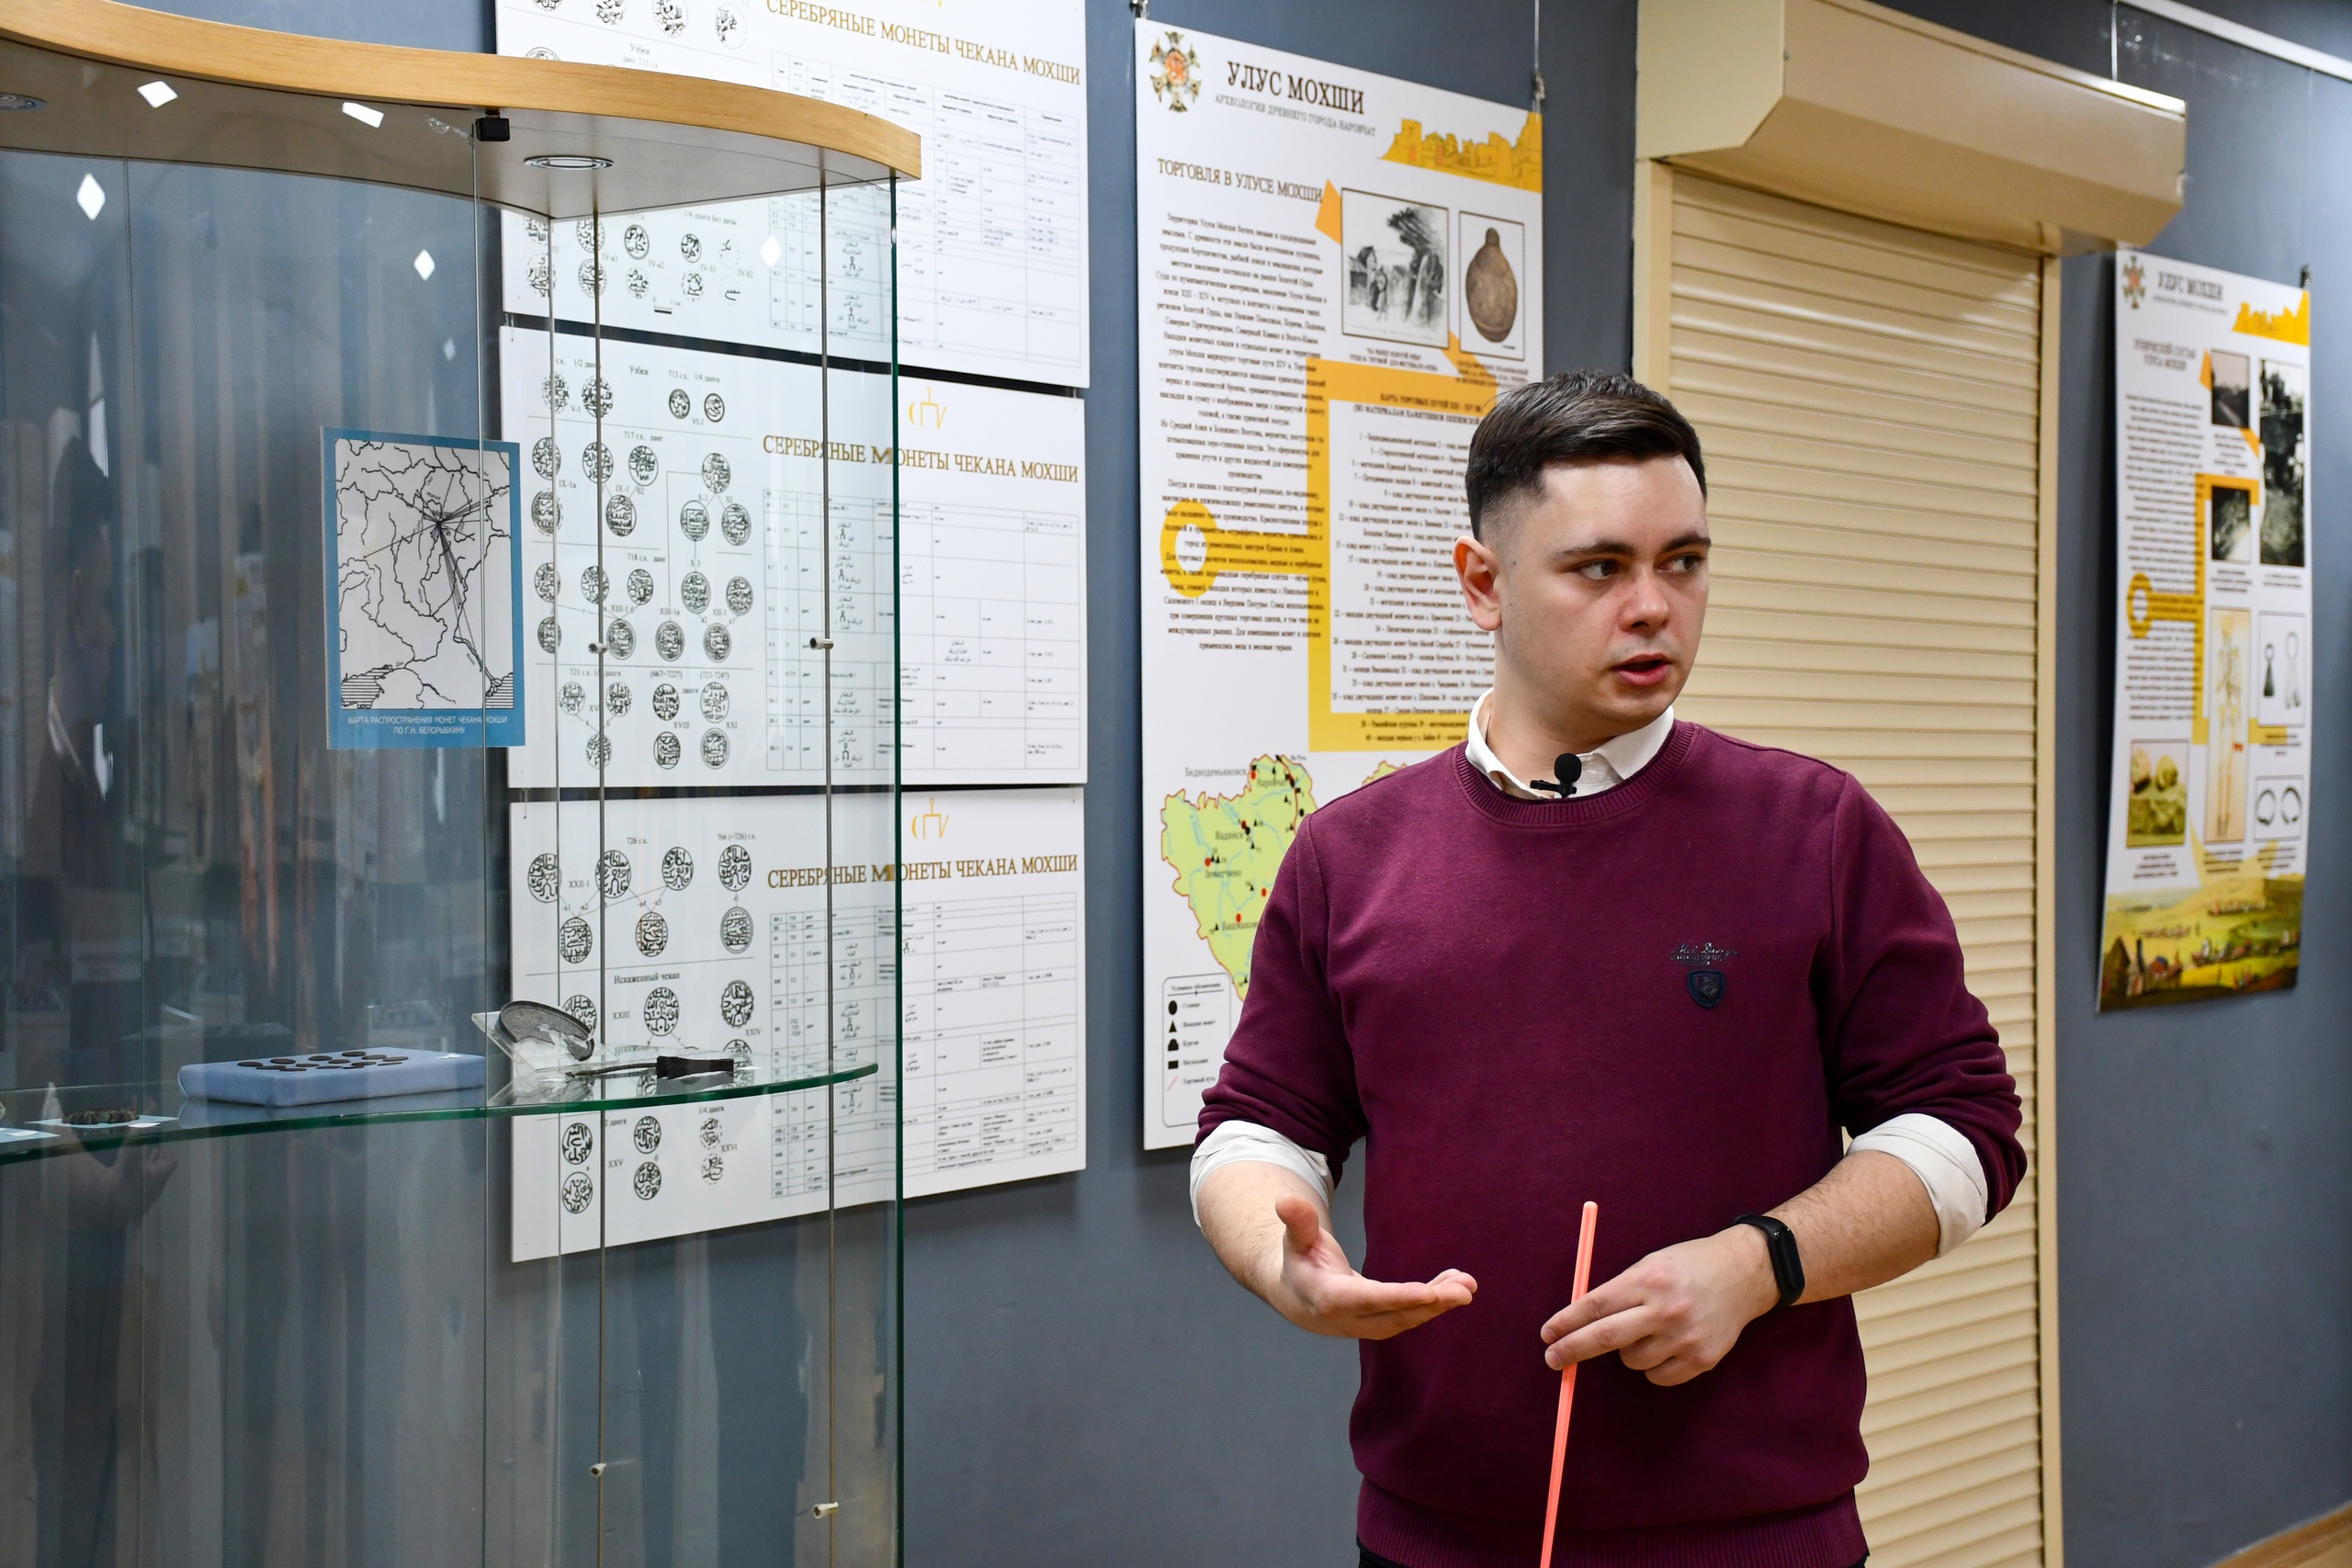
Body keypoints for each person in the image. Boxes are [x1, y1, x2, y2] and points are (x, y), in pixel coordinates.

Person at [1192, 372, 2026, 1568]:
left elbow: (1965, 1128)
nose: (1653, 608)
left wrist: (1761, 1264)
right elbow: (1257, 1126)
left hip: (1755, 1540)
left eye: (1684, 563)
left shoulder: (1816, 830)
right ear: (1483, 584)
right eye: (1599, 569)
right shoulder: (1348, 856)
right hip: (1432, 1539)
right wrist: (1284, 1262)